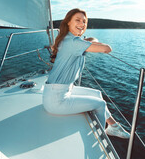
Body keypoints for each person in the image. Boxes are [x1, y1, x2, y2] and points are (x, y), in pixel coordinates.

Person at [43, 8, 130, 139]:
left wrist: (88, 42)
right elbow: (107, 49)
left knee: (97, 94)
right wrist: (90, 42)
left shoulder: (68, 39)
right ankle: (100, 138)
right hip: (56, 100)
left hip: (58, 91)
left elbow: (89, 40)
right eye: (77, 20)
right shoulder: (74, 42)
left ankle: (114, 126)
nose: (82, 24)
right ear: (68, 23)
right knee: (100, 104)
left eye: (84, 21)